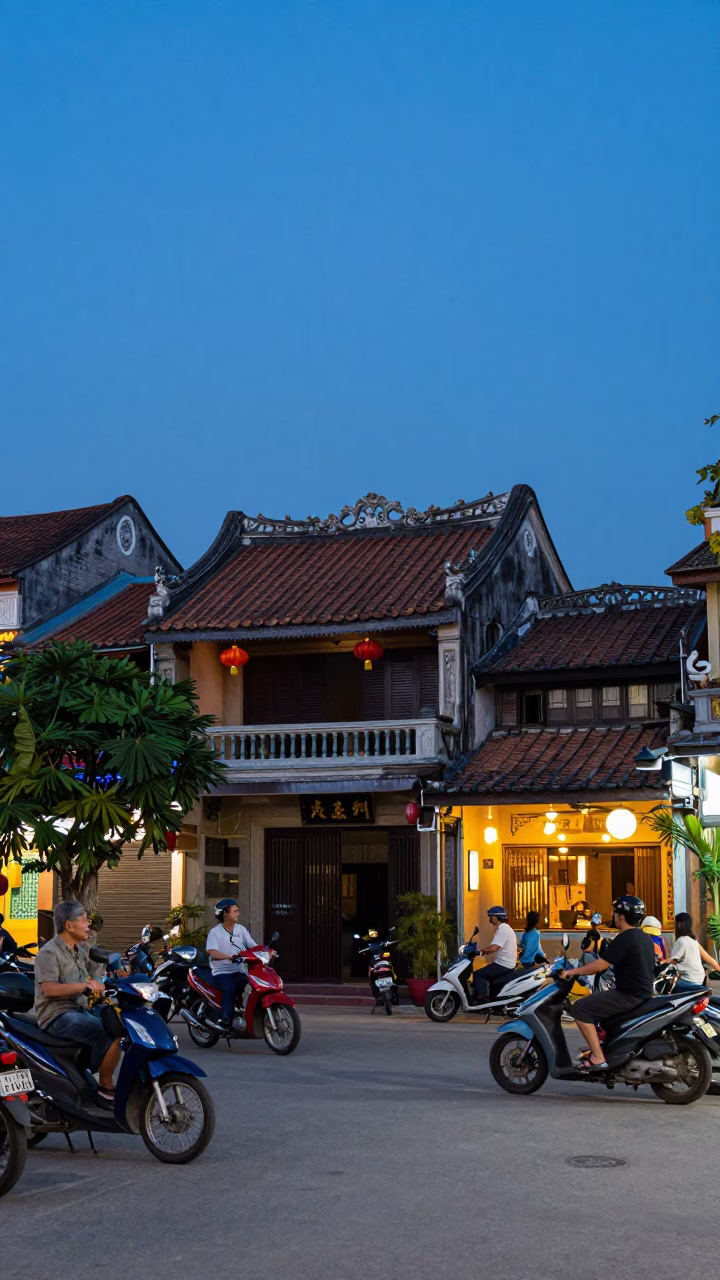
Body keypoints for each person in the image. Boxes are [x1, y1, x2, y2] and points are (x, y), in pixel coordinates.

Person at [34, 901, 122, 1104]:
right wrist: (84, 986)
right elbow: (49, 989)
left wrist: (111, 976)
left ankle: (85, 1072)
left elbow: (97, 970)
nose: (87, 925)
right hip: (57, 1015)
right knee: (111, 1032)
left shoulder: (80, 949)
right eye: (83, 920)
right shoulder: (49, 952)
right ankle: (104, 1086)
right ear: (68, 925)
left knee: (123, 1022)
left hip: (82, 1008)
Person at [566, 895, 656, 1070]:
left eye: (615, 913)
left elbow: (600, 965)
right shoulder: (644, 938)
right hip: (643, 993)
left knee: (580, 1008)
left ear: (621, 916)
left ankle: (598, 1057)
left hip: (628, 995)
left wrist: (572, 971)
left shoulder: (624, 938)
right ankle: (606, 1049)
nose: (613, 916)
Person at [205, 898, 257, 1028]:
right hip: (222, 972)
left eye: (237, 911)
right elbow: (212, 952)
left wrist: (266, 951)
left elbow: (252, 945)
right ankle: (225, 1019)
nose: (238, 913)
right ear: (224, 914)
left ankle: (245, 1013)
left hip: (239, 970)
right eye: (235, 911)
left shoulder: (241, 929)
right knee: (230, 988)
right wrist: (228, 957)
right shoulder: (215, 932)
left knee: (252, 985)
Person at [472, 906, 518, 1001]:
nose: (490, 920)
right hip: (508, 963)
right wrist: (482, 952)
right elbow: (493, 946)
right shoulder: (505, 928)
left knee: (479, 974)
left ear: (497, 917)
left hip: (503, 964)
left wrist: (480, 951)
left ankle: (481, 998)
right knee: (491, 979)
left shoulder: (502, 930)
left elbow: (494, 948)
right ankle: (492, 1000)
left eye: (491, 917)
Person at [667, 913, 717, 990]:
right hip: (700, 979)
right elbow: (708, 958)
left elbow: (672, 961)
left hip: (689, 980)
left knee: (669, 988)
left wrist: (661, 962)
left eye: (674, 924)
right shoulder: (694, 941)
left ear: (679, 925)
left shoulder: (681, 941)